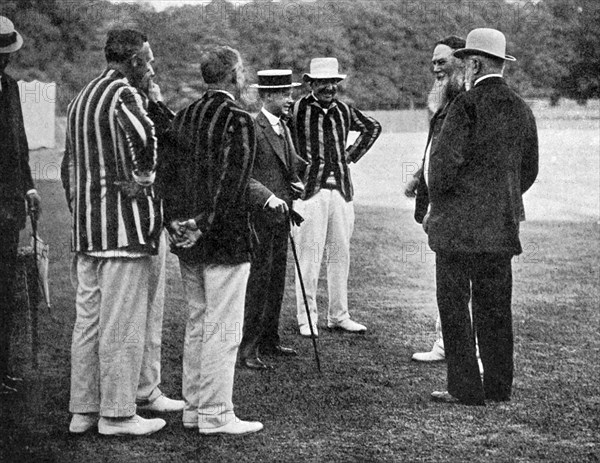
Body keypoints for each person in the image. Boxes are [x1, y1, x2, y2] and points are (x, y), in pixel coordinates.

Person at [163, 46, 283, 435]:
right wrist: (204, 223)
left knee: (198, 321)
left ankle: (195, 408)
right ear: (234, 75)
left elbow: (168, 177)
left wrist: (177, 223)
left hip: (188, 237)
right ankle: (216, 413)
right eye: (243, 71)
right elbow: (232, 184)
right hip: (225, 239)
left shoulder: (183, 116)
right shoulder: (238, 119)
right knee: (223, 327)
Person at [62, 29, 166, 435]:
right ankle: (118, 414)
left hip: (88, 231)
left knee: (87, 322)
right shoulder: (124, 94)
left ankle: (83, 410)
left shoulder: (80, 97)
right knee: (121, 323)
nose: (152, 67)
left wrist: (81, 210)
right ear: (134, 61)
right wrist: (143, 178)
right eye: (149, 59)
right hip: (122, 233)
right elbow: (146, 137)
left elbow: (71, 163)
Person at [425, 28, 539, 405]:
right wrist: (498, 200)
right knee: (495, 308)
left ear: (474, 63)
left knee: (455, 307)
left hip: (458, 229)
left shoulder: (465, 105)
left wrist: (442, 208)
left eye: (466, 63)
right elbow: (530, 170)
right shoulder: (521, 107)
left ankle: (465, 389)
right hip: (501, 227)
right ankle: (498, 386)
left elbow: (442, 171)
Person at [290, 57, 381, 337]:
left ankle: (338, 315)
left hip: (341, 191)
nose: (329, 87)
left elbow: (373, 128)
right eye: (323, 82)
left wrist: (350, 156)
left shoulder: (344, 110)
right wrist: (296, 170)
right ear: (311, 84)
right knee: (309, 257)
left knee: (340, 255)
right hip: (308, 193)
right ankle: (307, 318)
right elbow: (281, 140)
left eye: (333, 82)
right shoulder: (296, 110)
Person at [404, 36, 466, 363]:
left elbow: (461, 163)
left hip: (456, 210)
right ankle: (444, 343)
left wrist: (438, 206)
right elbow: (437, 151)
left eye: (442, 61)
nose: (435, 68)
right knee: (446, 279)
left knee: (458, 281)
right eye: (433, 62)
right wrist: (418, 174)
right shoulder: (443, 103)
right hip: (438, 205)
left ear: (461, 61)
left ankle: (462, 349)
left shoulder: (466, 103)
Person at [239, 70, 304, 370]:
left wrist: (297, 183)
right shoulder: (253, 127)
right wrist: (268, 197)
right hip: (260, 218)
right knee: (258, 282)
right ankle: (248, 348)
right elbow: (245, 175)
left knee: (276, 280)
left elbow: (290, 167)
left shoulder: (284, 128)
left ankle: (269, 339)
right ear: (267, 97)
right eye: (284, 94)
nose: (290, 99)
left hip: (281, 217)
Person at [134, 74, 185, 413]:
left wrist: (156, 101)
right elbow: (175, 138)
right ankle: (132, 392)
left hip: (152, 220)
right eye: (147, 64)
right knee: (136, 311)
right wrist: (155, 102)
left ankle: (145, 388)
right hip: (137, 225)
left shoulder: (143, 106)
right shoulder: (134, 109)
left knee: (150, 310)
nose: (153, 73)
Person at [0, 15, 41, 395]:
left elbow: (19, 143)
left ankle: (3, 368)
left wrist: (28, 187)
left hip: (10, 207)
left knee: (6, 288)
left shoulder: (10, 87)